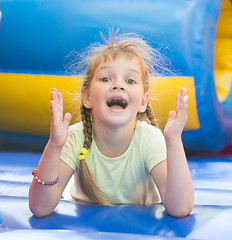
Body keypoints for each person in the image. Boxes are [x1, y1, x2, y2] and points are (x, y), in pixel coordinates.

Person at [29, 32, 194, 218]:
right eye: (106, 79)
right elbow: (40, 208)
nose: (118, 85)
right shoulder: (74, 137)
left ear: (143, 102)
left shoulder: (150, 139)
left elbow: (180, 208)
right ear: (87, 97)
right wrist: (54, 146)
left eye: (130, 81)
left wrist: (174, 141)